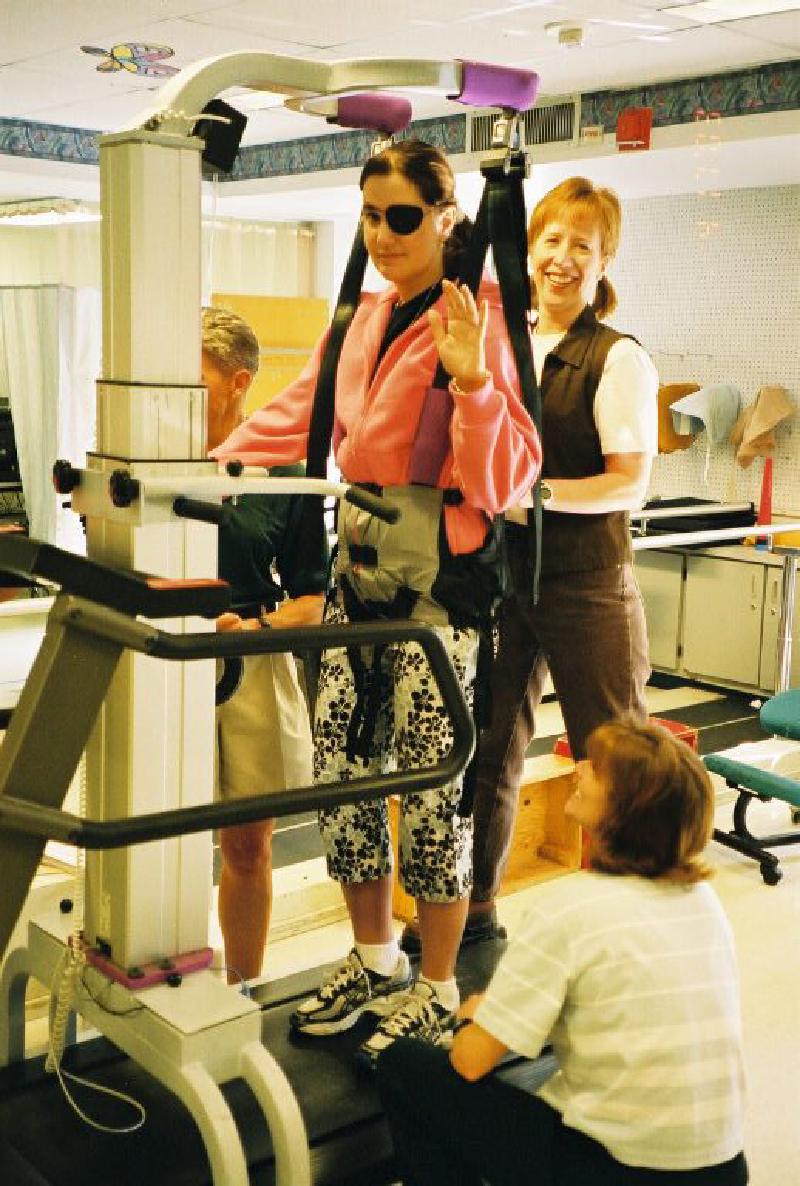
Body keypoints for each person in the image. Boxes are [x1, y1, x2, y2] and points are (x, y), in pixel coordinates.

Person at [211, 140, 541, 1061]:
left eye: (403, 216)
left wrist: (473, 381)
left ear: (444, 217)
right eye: (371, 215)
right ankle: (373, 957)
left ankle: (437, 985)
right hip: (357, 581)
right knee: (345, 780)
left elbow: (508, 475)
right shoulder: (364, 317)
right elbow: (299, 412)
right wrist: (189, 469)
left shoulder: (472, 316)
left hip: (439, 598)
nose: (385, 233)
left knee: (434, 794)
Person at [411, 174, 658, 948]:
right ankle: (473, 909)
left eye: (581, 246)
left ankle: (632, 921)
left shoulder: (616, 358)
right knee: (484, 747)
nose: (561, 258)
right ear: (530, 248)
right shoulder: (502, 338)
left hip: (588, 584)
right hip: (507, 576)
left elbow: (630, 480)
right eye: (550, 239)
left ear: (603, 260)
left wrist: (530, 495)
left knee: (612, 755)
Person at [377, 718, 749, 1186]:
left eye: (597, 769)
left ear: (626, 808)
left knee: (404, 1065)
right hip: (725, 1171)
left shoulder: (571, 909)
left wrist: (475, 1017)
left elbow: (470, 1061)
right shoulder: (705, 903)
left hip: (617, 1173)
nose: (579, 769)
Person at [203, 306, 329, 983]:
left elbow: (313, 598)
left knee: (248, 844)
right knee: (149, 841)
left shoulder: (285, 472)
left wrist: (252, 630)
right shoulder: (147, 459)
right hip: (160, 659)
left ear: (237, 382)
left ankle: (242, 989)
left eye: (195, 382)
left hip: (250, 660)